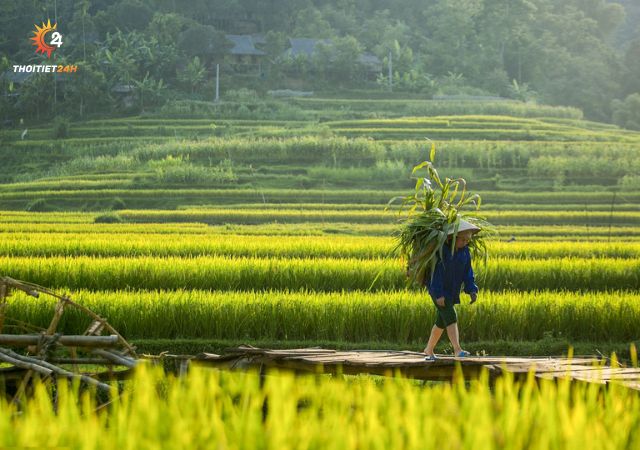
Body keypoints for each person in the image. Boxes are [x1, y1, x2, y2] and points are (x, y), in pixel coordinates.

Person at [422, 220, 480, 361]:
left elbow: (468, 272)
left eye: (468, 240)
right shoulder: (442, 252)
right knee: (451, 316)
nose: (466, 242)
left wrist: (471, 289)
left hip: (452, 291)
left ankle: (428, 350)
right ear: (452, 238)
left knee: (441, 322)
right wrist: (439, 294)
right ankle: (457, 350)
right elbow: (436, 274)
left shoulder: (465, 252)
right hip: (439, 291)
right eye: (463, 239)